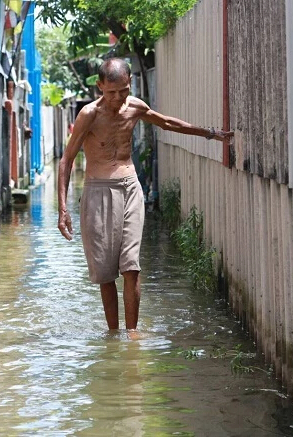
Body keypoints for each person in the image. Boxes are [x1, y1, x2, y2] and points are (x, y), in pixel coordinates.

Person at [57, 58, 233, 331]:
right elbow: (66, 160)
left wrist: (211, 133)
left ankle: (132, 335)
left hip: (130, 188)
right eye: (111, 92)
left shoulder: (136, 107)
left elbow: (167, 123)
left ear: (130, 85)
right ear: (100, 86)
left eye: (123, 91)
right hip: (98, 192)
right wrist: (63, 210)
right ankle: (113, 333)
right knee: (105, 273)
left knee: (131, 266)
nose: (117, 98)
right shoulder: (89, 114)